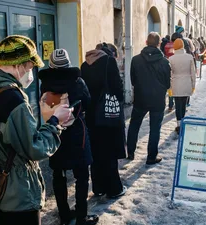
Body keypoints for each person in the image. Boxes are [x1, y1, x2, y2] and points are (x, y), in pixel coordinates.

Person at [0, 35, 73, 225]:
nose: (30, 73)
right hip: (17, 195)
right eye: (30, 67)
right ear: (18, 65)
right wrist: (56, 122)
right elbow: (34, 148)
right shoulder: (13, 100)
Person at [38, 49, 98, 225]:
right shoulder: (77, 82)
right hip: (77, 133)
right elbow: (87, 102)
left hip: (54, 132)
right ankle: (81, 216)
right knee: (81, 177)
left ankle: (64, 215)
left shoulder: (45, 84)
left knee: (58, 175)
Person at [81, 43, 127, 199]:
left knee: (96, 151)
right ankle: (114, 188)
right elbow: (117, 90)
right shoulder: (109, 62)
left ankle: (98, 187)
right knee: (110, 151)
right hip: (108, 114)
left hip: (92, 115)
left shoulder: (84, 64)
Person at [127, 32, 171, 164]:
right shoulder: (164, 62)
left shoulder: (135, 60)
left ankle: (130, 152)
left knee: (134, 125)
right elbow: (167, 84)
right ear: (159, 44)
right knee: (155, 128)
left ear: (146, 42)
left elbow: (133, 80)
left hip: (141, 98)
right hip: (157, 100)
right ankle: (151, 156)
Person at [169, 39, 196, 134]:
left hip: (176, 84)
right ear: (183, 46)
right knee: (184, 104)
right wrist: (193, 85)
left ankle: (179, 124)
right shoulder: (189, 57)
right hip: (186, 83)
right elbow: (193, 73)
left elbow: (170, 74)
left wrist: (170, 88)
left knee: (177, 105)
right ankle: (183, 122)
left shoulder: (171, 59)